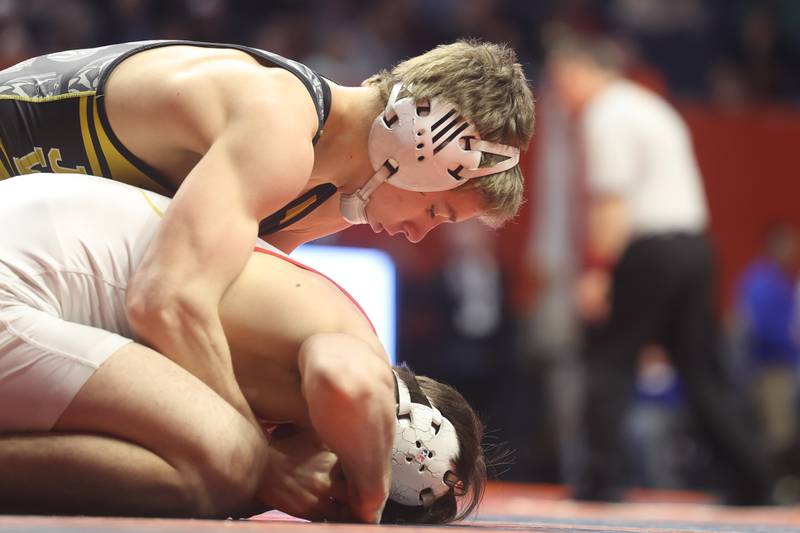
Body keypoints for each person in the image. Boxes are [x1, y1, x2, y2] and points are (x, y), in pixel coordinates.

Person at [0, 39, 534, 427]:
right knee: (220, 451)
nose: (418, 235)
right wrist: (253, 446)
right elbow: (167, 305)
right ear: (424, 145)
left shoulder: (327, 202)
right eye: (437, 212)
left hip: (30, 251)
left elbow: (227, 324)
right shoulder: (276, 120)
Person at [0, 173, 486, 524]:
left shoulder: (305, 373)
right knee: (229, 465)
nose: (323, 502)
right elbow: (345, 380)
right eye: (339, 490)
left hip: (33, 261)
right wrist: (368, 501)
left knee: (231, 464)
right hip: (21, 280)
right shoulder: (364, 358)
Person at [546, 30, 773, 504]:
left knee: (609, 358)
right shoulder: (650, 105)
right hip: (693, 247)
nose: (559, 90)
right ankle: (753, 477)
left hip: (648, 250)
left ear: (586, 69)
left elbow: (612, 201)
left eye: (562, 77)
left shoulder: (606, 114)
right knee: (700, 369)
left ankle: (601, 477)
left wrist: (598, 269)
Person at [736, 223, 800, 456]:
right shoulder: (761, 281)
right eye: (789, 243)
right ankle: (776, 485)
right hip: (772, 367)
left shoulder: (783, 280)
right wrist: (791, 343)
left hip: (786, 364)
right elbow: (760, 327)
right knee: (777, 432)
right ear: (774, 245)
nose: (794, 249)